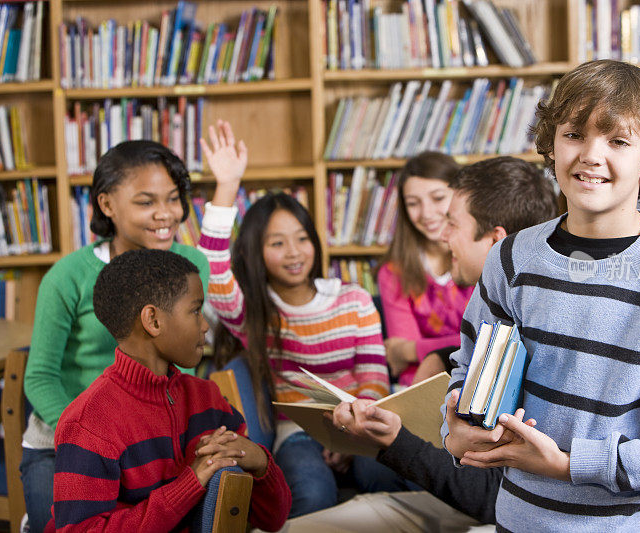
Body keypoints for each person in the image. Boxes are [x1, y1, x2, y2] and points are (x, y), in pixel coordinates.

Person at [443, 59, 640, 531]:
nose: (590, 155)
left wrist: (568, 465)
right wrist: (455, 424)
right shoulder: (511, 258)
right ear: (551, 143)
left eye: (618, 140)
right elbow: (467, 370)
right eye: (575, 134)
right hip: (519, 522)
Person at [317, 157, 557, 528]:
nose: (441, 236)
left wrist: (395, 440)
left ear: (496, 240)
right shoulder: (498, 310)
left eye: (452, 223)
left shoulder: (525, 336)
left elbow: (489, 496)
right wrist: (440, 355)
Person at [197, 121, 403, 518]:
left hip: (361, 426)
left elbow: (373, 377)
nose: (294, 252)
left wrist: (354, 431)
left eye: (301, 238)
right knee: (310, 493)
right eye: (276, 243)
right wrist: (227, 186)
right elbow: (213, 269)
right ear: (257, 254)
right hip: (297, 434)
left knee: (385, 476)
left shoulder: (353, 298)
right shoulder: (254, 312)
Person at [22, 140, 211, 533]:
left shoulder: (191, 266)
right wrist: (87, 441)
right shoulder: (67, 276)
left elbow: (181, 359)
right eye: (146, 202)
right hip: (65, 438)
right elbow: (40, 377)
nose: (166, 214)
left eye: (174, 199)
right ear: (107, 205)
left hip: (152, 440)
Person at [51, 249, 291, 531]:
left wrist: (260, 462)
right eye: (195, 310)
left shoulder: (208, 399)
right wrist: (188, 485)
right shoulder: (88, 423)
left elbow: (273, 519)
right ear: (153, 320)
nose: (205, 326)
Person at [377, 151, 473, 386]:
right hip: (421, 388)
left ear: (461, 196)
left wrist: (410, 349)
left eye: (438, 198)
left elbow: (489, 342)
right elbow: (406, 369)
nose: (427, 213)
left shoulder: (480, 260)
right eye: (413, 203)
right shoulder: (393, 273)